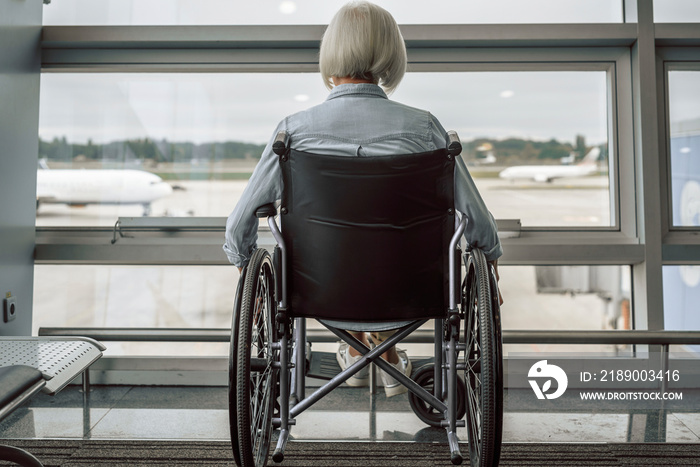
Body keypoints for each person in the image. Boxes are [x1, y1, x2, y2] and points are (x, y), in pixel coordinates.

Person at [224, 1, 502, 397]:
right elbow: (477, 220)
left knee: (336, 259)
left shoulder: (293, 133)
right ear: (391, 53)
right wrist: (488, 262)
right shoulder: (424, 128)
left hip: (318, 292)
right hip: (412, 290)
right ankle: (384, 355)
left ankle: (353, 349)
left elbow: (238, 228)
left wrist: (243, 268)